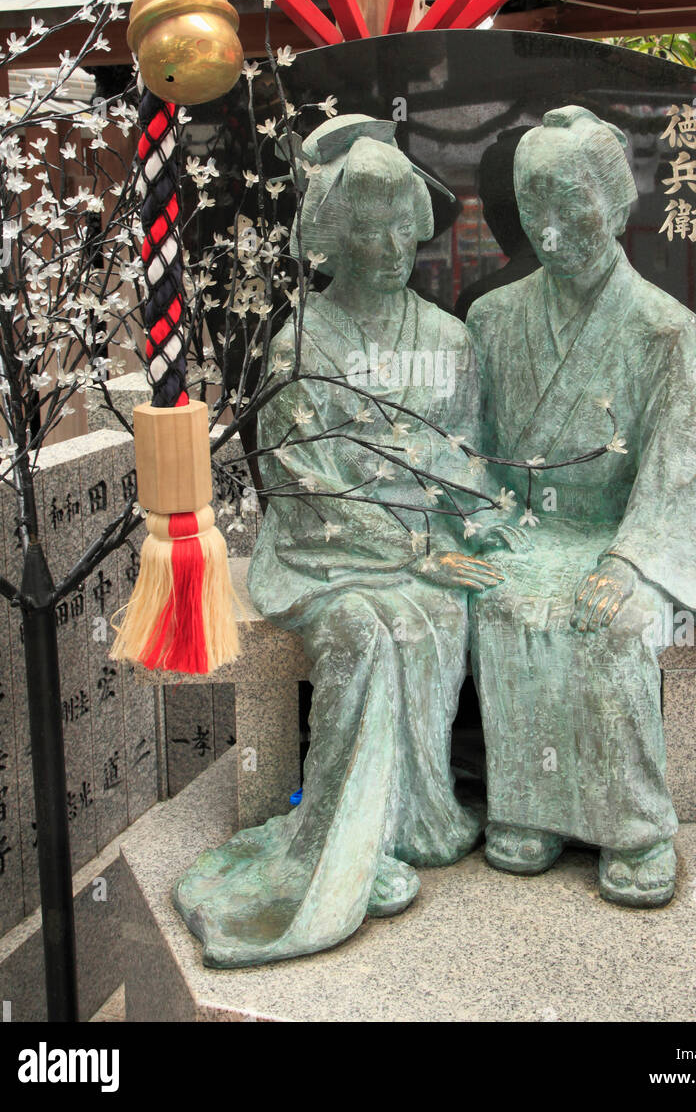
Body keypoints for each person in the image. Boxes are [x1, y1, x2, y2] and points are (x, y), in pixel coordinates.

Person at [174, 115, 505, 966]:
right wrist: (405, 551)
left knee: (437, 616)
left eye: (405, 224)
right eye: (369, 225)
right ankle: (343, 840)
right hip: (325, 551)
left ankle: (416, 815)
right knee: (365, 629)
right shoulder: (299, 345)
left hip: (428, 544)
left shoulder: (450, 339)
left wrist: (471, 533)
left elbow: (467, 462)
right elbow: (303, 487)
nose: (392, 244)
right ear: (335, 236)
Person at [467, 105, 696, 908]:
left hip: (629, 534)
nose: (551, 233)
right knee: (505, 605)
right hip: (532, 525)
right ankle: (527, 810)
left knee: (614, 623)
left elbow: (682, 473)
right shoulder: (494, 320)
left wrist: (629, 559)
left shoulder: (666, 331)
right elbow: (475, 450)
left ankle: (634, 827)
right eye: (535, 212)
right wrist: (493, 524)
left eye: (572, 207)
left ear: (620, 204)